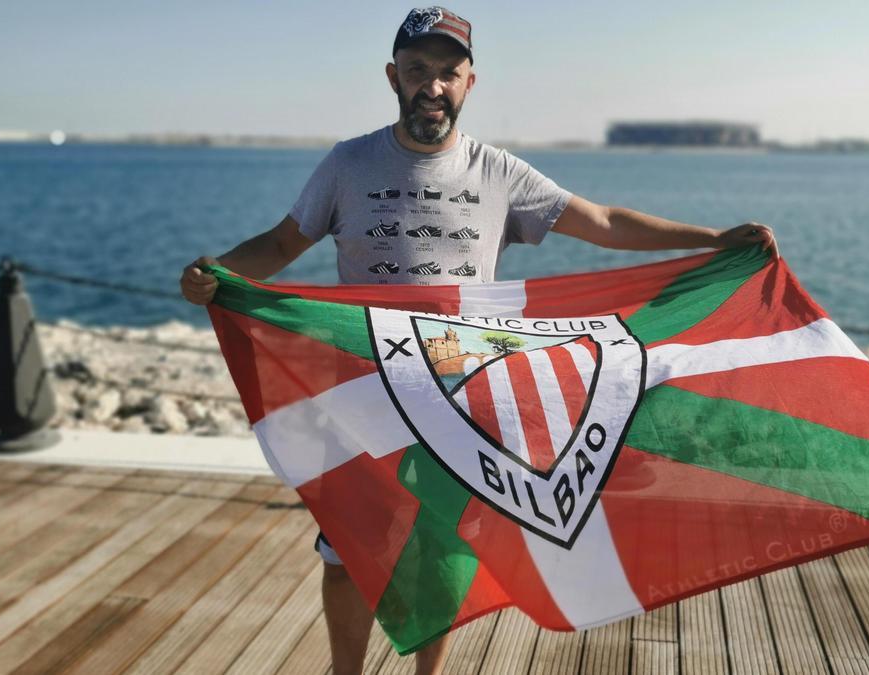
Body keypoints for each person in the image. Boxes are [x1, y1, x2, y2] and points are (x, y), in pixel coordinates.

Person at [180, 7, 777, 674]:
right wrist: (221, 274)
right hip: (363, 389)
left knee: (441, 553)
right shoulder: (348, 164)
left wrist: (713, 240)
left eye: (446, 73)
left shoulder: (499, 173)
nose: (431, 86)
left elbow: (605, 222)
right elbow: (283, 242)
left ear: (470, 83)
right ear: (392, 77)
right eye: (416, 71)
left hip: (459, 392)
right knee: (345, 554)